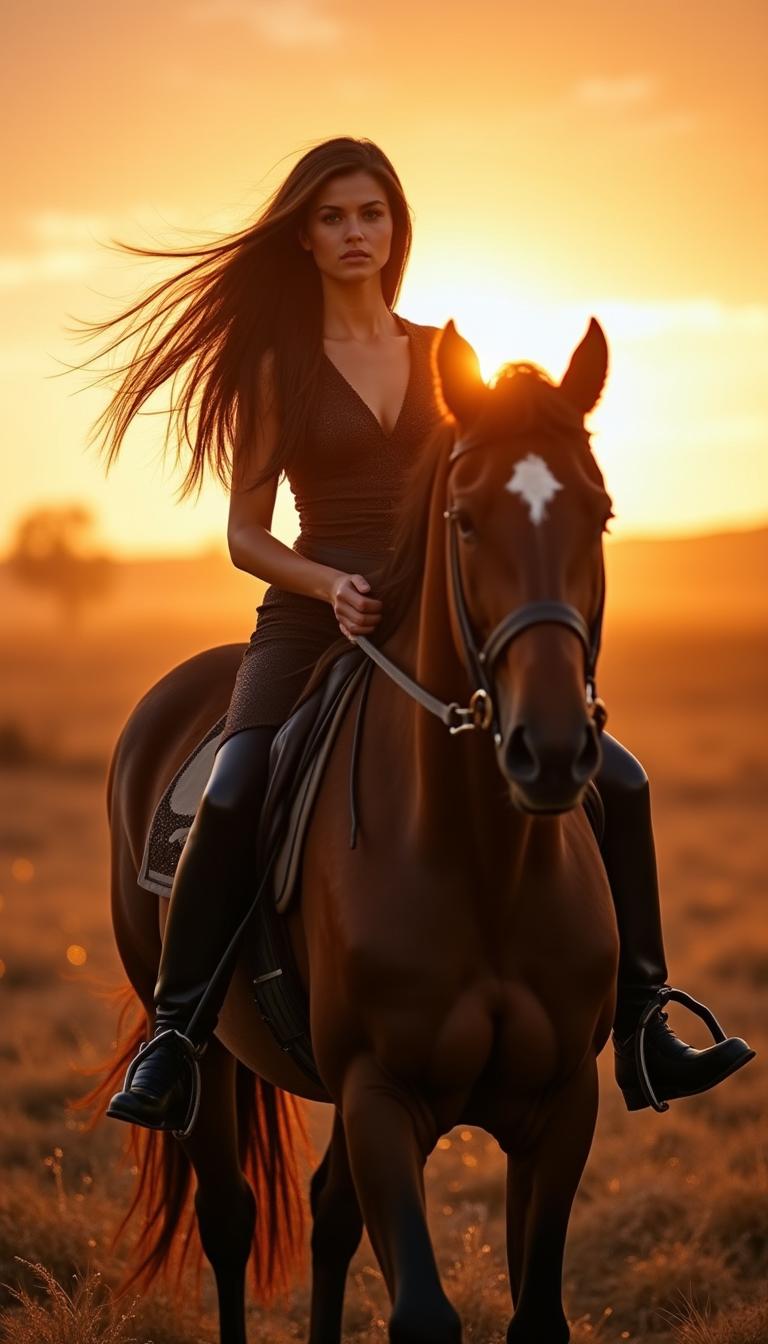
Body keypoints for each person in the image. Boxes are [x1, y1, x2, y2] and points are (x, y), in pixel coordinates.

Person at [75, 136, 753, 1134]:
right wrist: (327, 584)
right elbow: (246, 532)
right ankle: (178, 1034)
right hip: (312, 622)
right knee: (233, 780)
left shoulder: (445, 355)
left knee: (623, 777)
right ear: (304, 237)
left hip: (441, 625)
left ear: (397, 230)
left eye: (373, 215)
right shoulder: (281, 366)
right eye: (335, 217)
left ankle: (647, 1019)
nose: (357, 234)